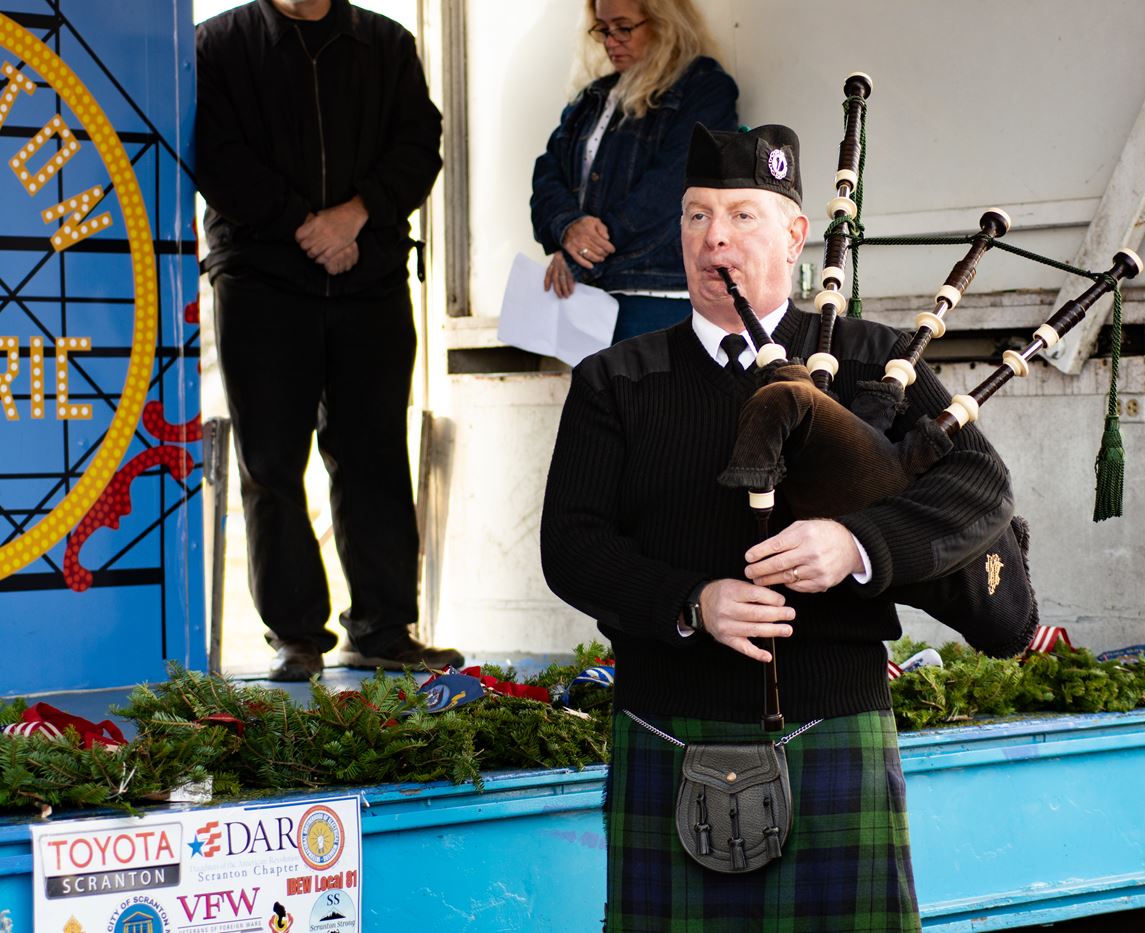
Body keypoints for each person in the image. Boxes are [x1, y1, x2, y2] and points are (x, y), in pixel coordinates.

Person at [540, 123, 1015, 929]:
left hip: (833, 718)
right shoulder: (615, 379)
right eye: (694, 216)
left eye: (740, 216)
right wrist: (690, 600)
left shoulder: (874, 362)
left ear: (796, 234)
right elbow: (572, 546)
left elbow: (980, 483)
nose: (713, 237)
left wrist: (858, 544)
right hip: (667, 720)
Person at [196, 0, 464, 681]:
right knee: (270, 462)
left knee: (374, 453)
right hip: (259, 278)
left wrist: (352, 216)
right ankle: (295, 636)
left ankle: (382, 630)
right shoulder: (215, 45)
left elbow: (418, 144)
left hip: (368, 274)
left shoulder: (388, 43)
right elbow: (214, 154)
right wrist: (303, 225)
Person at [530, 0, 739, 344]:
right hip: (589, 297)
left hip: (657, 297)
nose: (611, 41)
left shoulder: (703, 85)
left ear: (664, 24)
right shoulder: (593, 96)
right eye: (603, 29)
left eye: (624, 28)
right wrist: (568, 228)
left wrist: (582, 253)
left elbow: (671, 187)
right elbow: (546, 173)